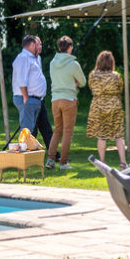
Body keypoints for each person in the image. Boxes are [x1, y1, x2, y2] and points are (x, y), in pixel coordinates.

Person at [46, 36, 87, 170]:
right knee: (67, 132)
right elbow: (83, 82)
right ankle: (63, 162)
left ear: (59, 47)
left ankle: (51, 159)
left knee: (57, 130)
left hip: (55, 100)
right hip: (69, 100)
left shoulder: (52, 63)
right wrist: (74, 82)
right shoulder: (74, 64)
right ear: (70, 47)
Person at [87, 51, 128, 170]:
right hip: (114, 105)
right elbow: (120, 89)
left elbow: (91, 87)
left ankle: (103, 162)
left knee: (101, 135)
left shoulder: (93, 75)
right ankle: (123, 163)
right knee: (119, 135)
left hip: (98, 106)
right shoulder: (116, 76)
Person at [12, 35, 46, 133]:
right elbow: (21, 79)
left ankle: (27, 147)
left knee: (30, 129)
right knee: (27, 130)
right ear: (32, 45)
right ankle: (23, 148)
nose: (40, 46)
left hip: (34, 99)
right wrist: (26, 98)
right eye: (38, 44)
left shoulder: (34, 58)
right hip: (27, 98)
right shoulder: (23, 57)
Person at [31, 36, 55, 152]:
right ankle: (27, 153)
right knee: (32, 130)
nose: (40, 46)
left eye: (41, 44)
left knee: (46, 128)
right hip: (31, 101)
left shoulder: (38, 58)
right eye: (38, 44)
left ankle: (53, 153)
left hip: (40, 100)